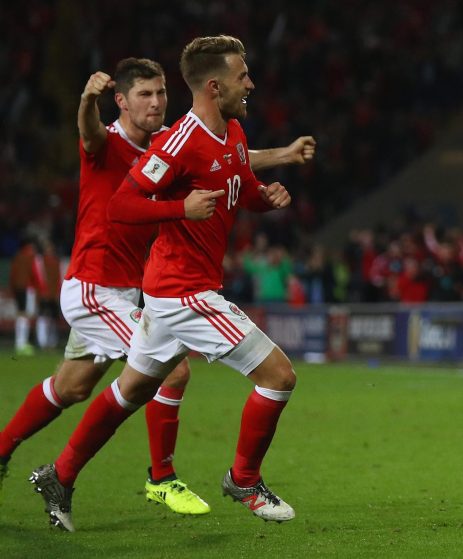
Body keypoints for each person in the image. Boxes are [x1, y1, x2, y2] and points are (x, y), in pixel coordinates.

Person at [0, 56, 314, 517]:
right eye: (145, 94)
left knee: (78, 388)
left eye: (161, 92)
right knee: (198, 373)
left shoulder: (174, 143)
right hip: (101, 286)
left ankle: (53, 471)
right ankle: (169, 479)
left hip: (136, 289)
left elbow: (227, 163)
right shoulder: (111, 143)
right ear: (121, 103)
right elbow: (101, 154)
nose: (156, 102)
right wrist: (88, 99)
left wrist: (272, 179)